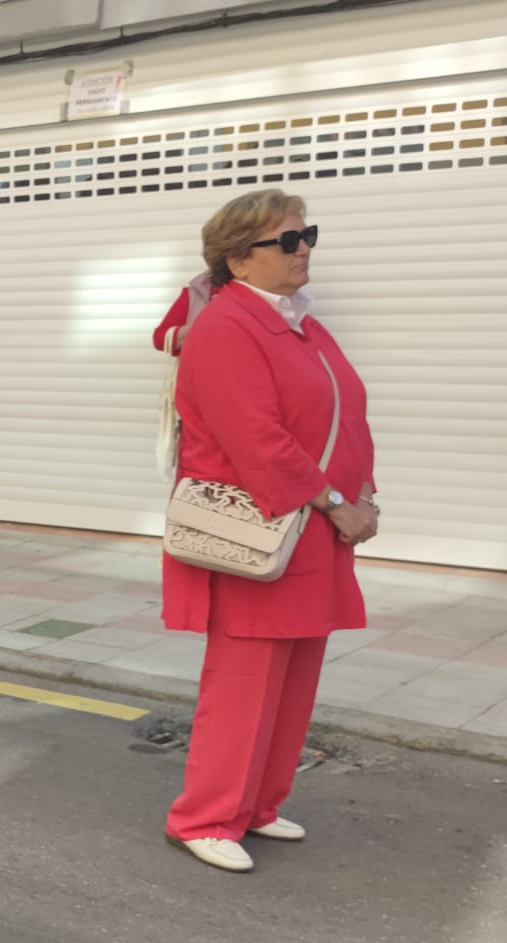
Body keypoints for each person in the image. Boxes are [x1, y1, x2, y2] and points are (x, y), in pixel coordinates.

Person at [163, 191, 377, 874]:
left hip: (313, 529)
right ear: (238, 261)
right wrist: (334, 499)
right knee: (246, 679)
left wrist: (366, 495)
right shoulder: (229, 327)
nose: (304, 248)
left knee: (293, 677)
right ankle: (205, 815)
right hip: (266, 526)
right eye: (287, 240)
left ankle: (256, 804)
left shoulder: (302, 326)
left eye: (306, 234)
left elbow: (348, 416)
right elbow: (256, 438)